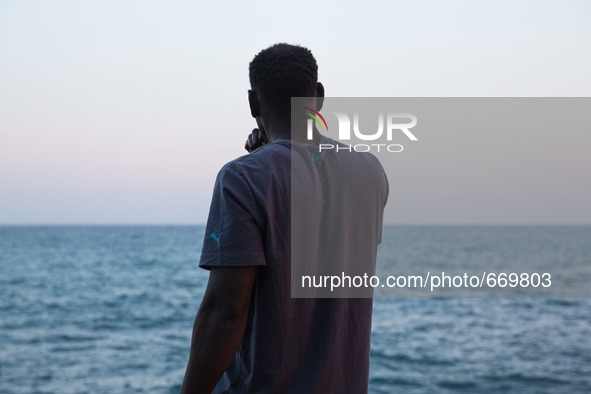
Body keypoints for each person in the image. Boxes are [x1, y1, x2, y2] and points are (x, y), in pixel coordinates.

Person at [181, 43, 388, 394]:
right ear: (319, 97)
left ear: (252, 103)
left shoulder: (242, 178)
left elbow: (226, 312)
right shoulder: (370, 172)